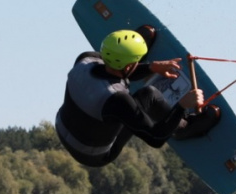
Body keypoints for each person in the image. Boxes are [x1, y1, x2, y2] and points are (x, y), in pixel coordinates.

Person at [56, 27, 220, 167]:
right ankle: (184, 129)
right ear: (129, 66)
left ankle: (127, 51)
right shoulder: (117, 99)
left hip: (64, 128)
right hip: (93, 155)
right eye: (136, 60)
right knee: (149, 94)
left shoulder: (85, 59)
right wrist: (182, 105)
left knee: (119, 86)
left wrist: (152, 67)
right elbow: (155, 138)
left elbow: (115, 72)